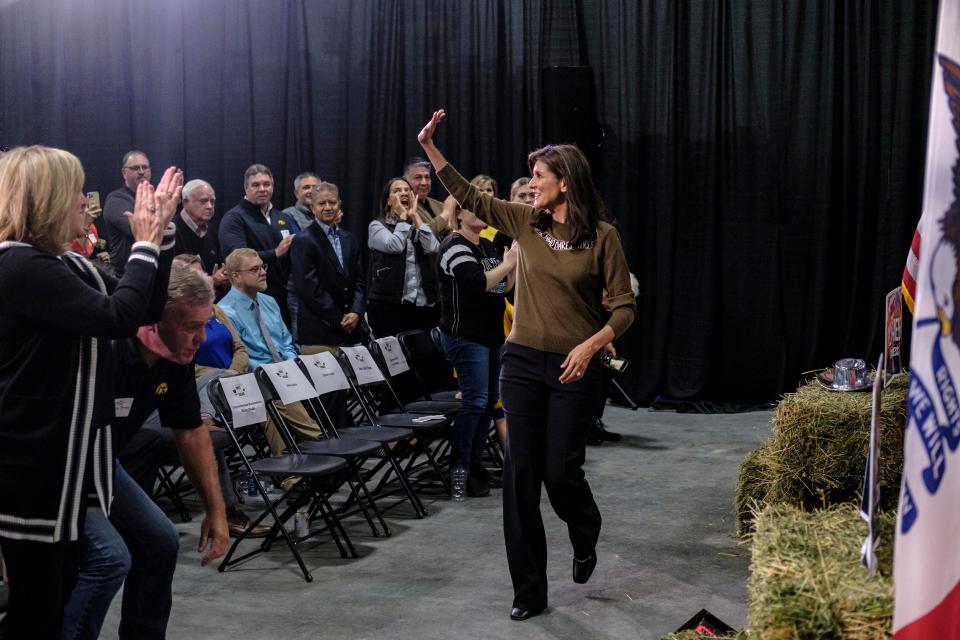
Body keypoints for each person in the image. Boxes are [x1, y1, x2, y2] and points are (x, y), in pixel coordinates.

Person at [418, 109, 637, 621]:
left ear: (566, 182)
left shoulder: (603, 237)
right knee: (520, 476)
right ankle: (529, 591)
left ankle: (584, 532)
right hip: (520, 363)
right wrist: (430, 146)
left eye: (539, 177)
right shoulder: (523, 222)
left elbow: (625, 304)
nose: (530, 184)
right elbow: (470, 197)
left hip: (575, 368)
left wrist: (592, 344)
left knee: (561, 472)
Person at [0, 146, 182, 639]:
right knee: (37, 607)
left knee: (54, 596)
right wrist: (143, 242)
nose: (87, 203)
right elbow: (116, 318)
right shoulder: (18, 267)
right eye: (78, 192)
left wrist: (160, 236)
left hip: (70, 460)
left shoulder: (61, 265)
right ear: (50, 199)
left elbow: (141, 308)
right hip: (34, 466)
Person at [62, 263, 230, 640]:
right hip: (58, 469)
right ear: (154, 319)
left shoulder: (175, 359)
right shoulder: (103, 348)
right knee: (108, 559)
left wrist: (216, 510)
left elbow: (190, 432)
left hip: (102, 462)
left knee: (160, 541)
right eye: (191, 327)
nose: (200, 338)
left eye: (205, 325)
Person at [437, 202, 517, 502]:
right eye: (475, 209)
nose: (483, 214)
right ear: (459, 214)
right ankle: (459, 467)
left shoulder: (486, 244)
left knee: (487, 403)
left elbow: (502, 289)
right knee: (476, 401)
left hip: (492, 335)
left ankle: (474, 466)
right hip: (465, 336)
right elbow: (477, 283)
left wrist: (515, 263)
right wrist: (507, 265)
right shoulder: (453, 245)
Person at [219, 248, 328, 455]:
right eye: (255, 269)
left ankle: (316, 452)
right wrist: (277, 374)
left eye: (263, 266)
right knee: (274, 392)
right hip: (254, 377)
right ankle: (322, 443)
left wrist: (292, 366)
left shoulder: (269, 301)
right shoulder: (225, 311)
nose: (263, 272)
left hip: (282, 371)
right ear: (236, 276)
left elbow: (285, 343)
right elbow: (240, 357)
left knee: (324, 373)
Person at [218, 164, 296, 327]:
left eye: (266, 184)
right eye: (255, 185)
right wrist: (275, 253)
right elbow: (236, 257)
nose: (262, 189)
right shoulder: (234, 218)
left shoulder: (282, 217)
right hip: (249, 299)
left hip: (281, 297)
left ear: (273, 187)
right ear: (246, 188)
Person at [291, 181, 366, 350]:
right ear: (312, 207)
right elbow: (308, 288)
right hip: (320, 332)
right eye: (322, 203)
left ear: (339, 204)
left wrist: (356, 312)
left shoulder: (350, 239)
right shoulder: (303, 240)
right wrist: (339, 318)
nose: (327, 207)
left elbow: (360, 281)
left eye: (332, 202)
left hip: (351, 331)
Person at [366, 177, 440, 337]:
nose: (404, 193)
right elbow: (395, 246)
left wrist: (416, 217)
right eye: (397, 190)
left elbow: (433, 248)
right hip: (390, 306)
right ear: (388, 201)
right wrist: (402, 218)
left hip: (421, 305)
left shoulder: (415, 225)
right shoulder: (377, 226)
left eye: (407, 190)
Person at [103, 149, 153, 275]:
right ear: (124, 173)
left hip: (152, 271)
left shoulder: (155, 196)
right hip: (125, 276)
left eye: (145, 167)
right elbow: (138, 230)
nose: (142, 172)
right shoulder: (116, 200)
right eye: (135, 168)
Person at [174, 179, 227, 287]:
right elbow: (173, 281)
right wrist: (211, 281)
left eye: (212, 201)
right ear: (185, 202)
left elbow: (220, 264)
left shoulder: (211, 230)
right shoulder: (172, 231)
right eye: (203, 201)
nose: (210, 206)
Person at [404, 156, 449, 237]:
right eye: (418, 177)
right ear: (405, 180)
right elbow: (423, 236)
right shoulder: (403, 206)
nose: (424, 183)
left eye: (427, 177)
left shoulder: (440, 205)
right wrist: (445, 214)